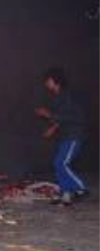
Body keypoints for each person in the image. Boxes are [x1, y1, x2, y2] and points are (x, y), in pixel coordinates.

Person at [35, 67, 87, 205]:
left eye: (47, 81)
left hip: (74, 135)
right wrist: (52, 129)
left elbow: (73, 116)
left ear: (54, 80)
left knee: (61, 163)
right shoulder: (58, 97)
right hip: (65, 135)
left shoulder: (67, 96)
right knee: (57, 164)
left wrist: (48, 114)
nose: (46, 84)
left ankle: (81, 188)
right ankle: (66, 195)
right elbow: (61, 118)